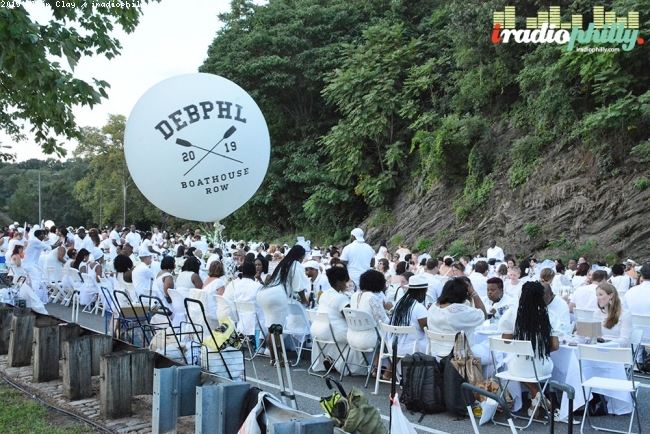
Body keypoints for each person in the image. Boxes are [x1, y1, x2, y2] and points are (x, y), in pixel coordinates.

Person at [498, 281, 560, 417]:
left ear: (522, 296)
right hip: (543, 366)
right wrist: (539, 350)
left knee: (514, 366)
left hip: (520, 365)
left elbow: (505, 341)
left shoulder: (512, 315)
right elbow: (555, 346)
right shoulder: (551, 316)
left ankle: (536, 395)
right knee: (532, 367)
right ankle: (538, 396)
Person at [257, 245, 310, 363]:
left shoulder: (283, 263)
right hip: (276, 296)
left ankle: (273, 359)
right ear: (301, 256)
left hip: (264, 293)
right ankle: (280, 360)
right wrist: (304, 300)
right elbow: (300, 287)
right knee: (277, 330)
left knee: (272, 328)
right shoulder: (296, 265)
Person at [427, 277, 487, 358]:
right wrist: (473, 293)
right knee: (494, 352)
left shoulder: (433, 307)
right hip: (460, 355)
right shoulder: (458, 311)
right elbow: (483, 315)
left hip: (436, 353)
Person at [384, 275, 429, 380]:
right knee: (434, 343)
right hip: (411, 348)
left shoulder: (400, 303)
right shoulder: (418, 307)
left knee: (406, 338)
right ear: (422, 292)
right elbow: (426, 329)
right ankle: (425, 378)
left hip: (393, 344)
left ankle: (389, 372)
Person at [310, 266, 351, 373]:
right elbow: (350, 318)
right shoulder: (341, 298)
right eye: (345, 282)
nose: (346, 285)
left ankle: (330, 358)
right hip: (330, 331)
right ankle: (343, 364)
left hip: (316, 329)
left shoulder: (324, 294)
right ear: (339, 282)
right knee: (354, 336)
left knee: (340, 334)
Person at [349, 269, 390, 375]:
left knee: (381, 335)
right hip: (368, 339)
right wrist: (388, 310)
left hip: (352, 337)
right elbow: (384, 321)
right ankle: (386, 370)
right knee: (390, 336)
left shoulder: (354, 295)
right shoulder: (373, 298)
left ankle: (376, 368)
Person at [594, 282, 632, 347]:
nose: (598, 298)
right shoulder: (597, 312)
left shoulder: (625, 314)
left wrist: (605, 342)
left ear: (611, 296)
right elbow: (596, 336)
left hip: (617, 350)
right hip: (600, 348)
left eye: (600, 295)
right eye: (597, 295)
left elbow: (625, 341)